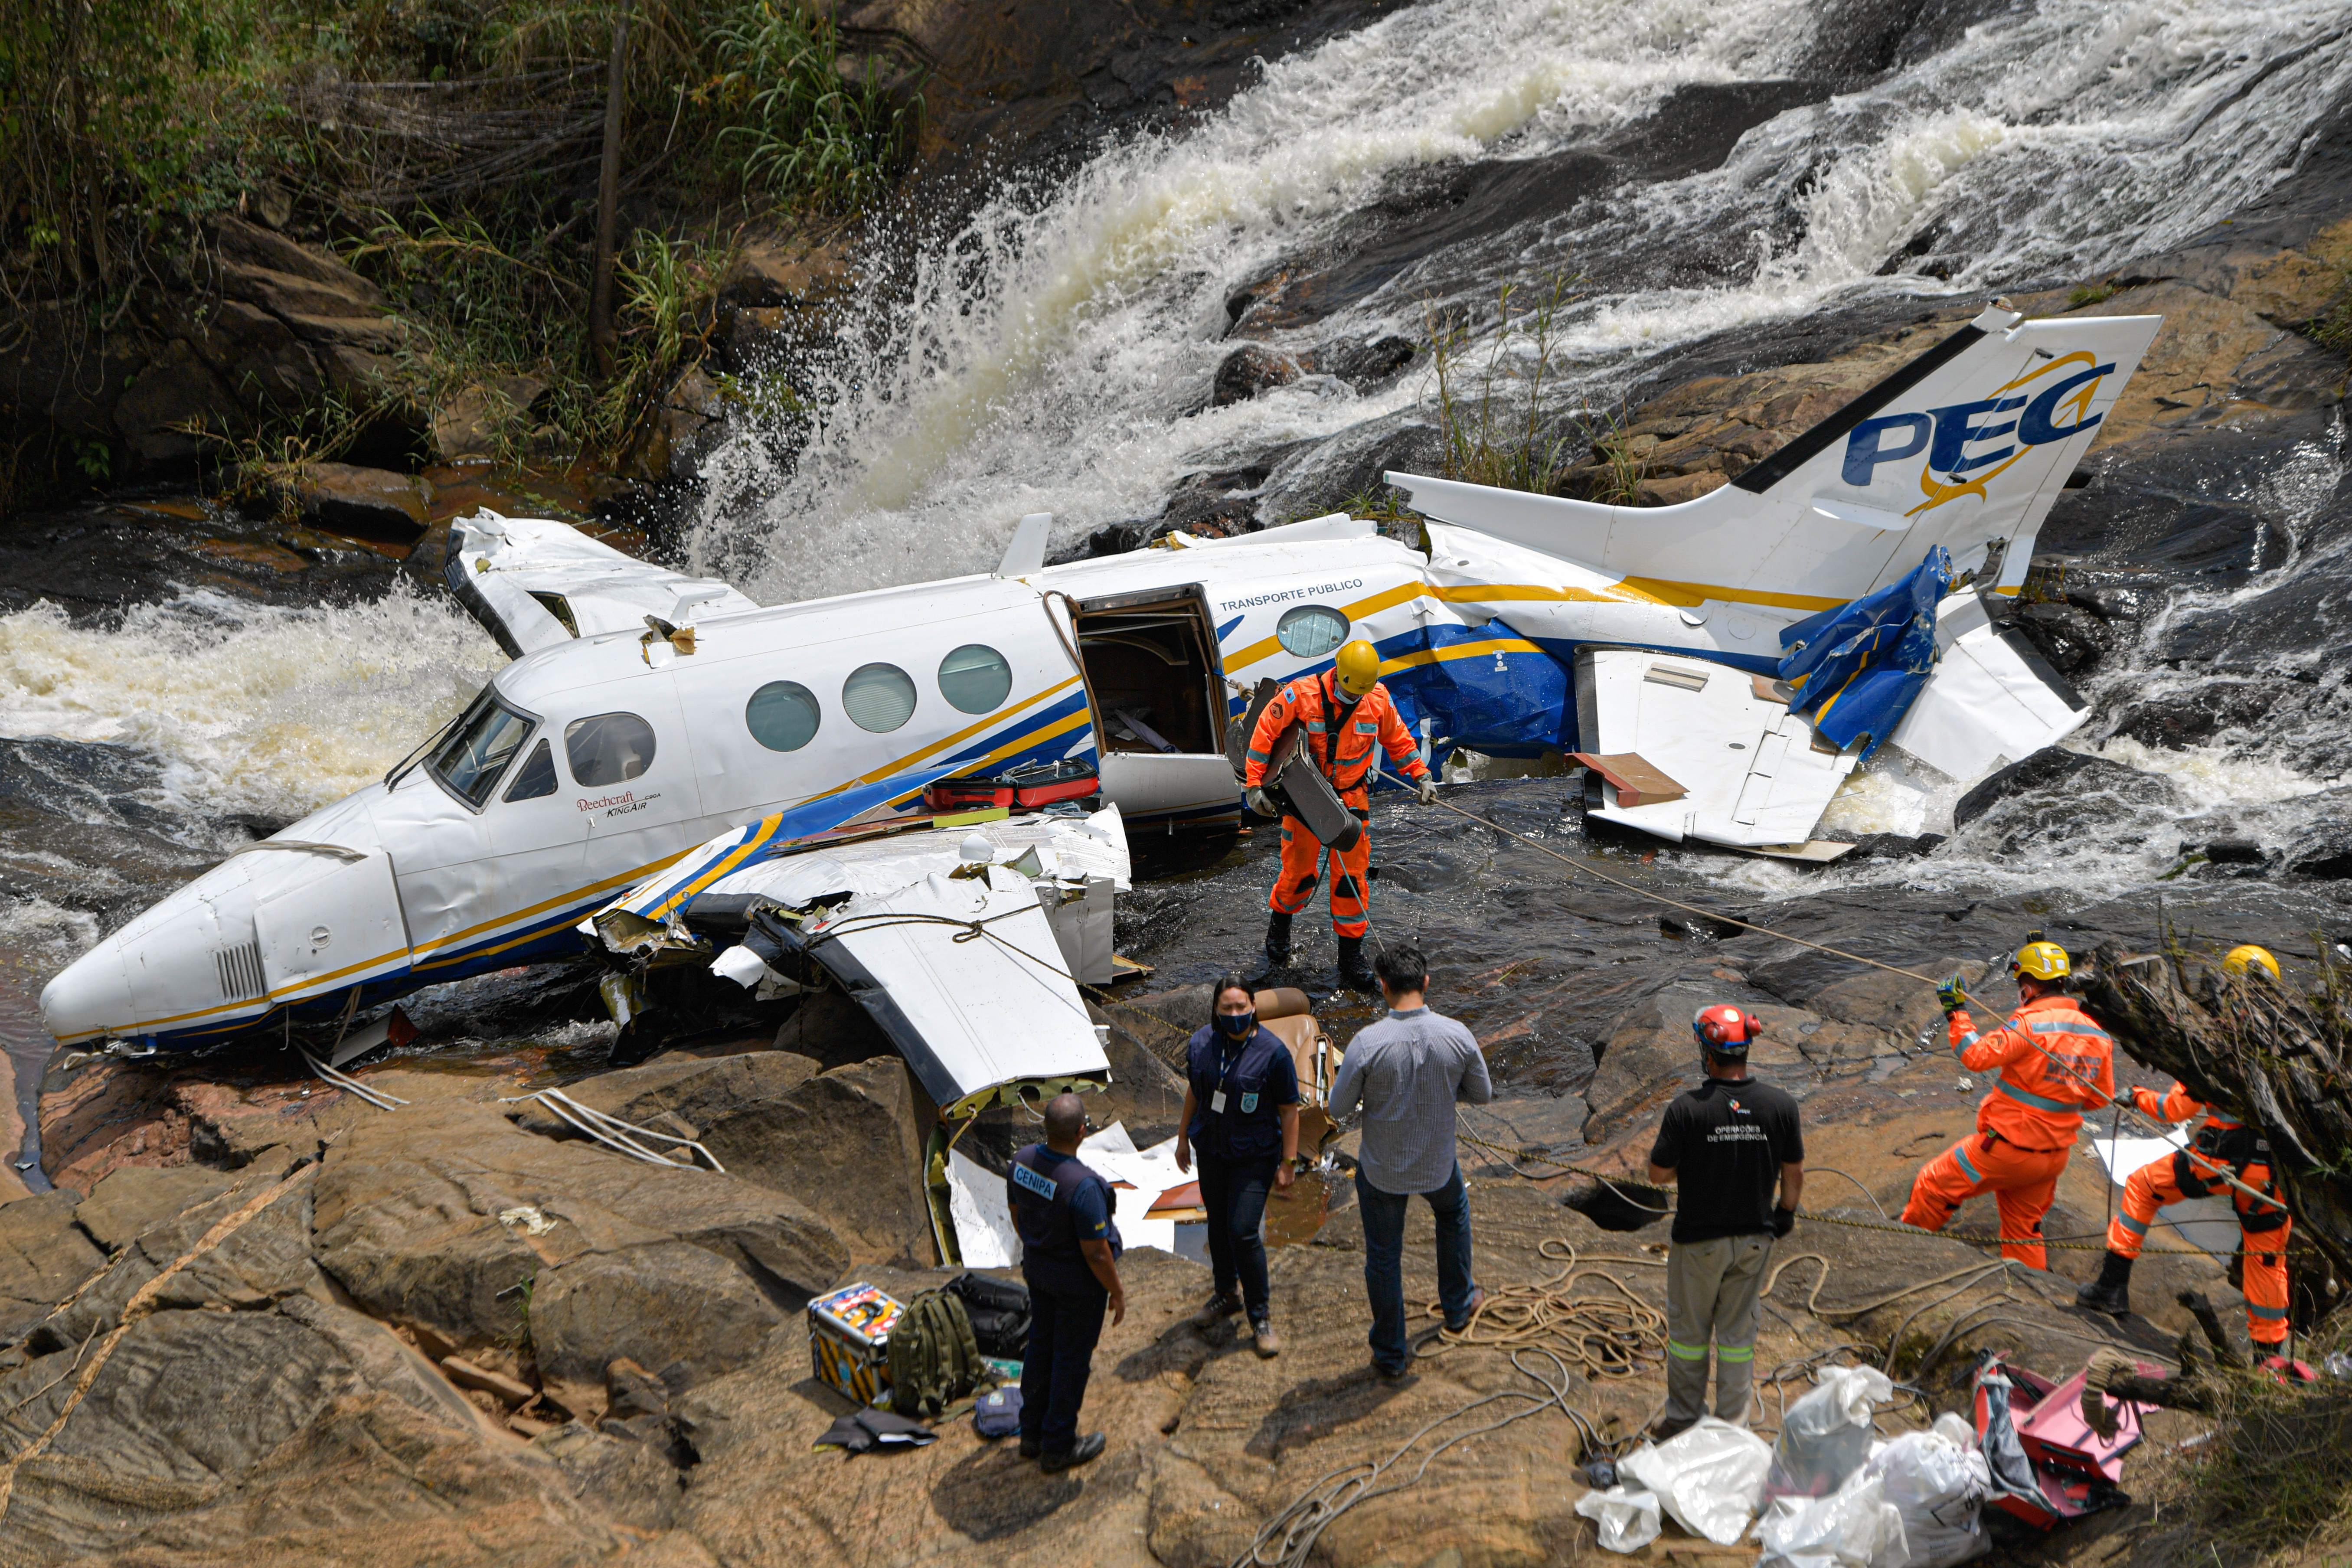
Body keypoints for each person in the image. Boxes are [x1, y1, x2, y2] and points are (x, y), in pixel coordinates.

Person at [2076, 944, 2292, 1349]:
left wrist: (2136, 1096)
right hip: (2273, 1178)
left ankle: (2112, 1286)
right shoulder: (2294, 1046)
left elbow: (2175, 1108)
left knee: (2142, 1186)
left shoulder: (2215, 1036)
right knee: (2267, 1263)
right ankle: (2271, 1359)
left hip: (2218, 1160)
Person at [1326, 941, 1490, 1378]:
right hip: (1437, 1163)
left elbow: (1338, 1108)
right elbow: (1483, 1093)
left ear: (1383, 987)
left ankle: (1391, 1353)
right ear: (1426, 983)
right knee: (1452, 1213)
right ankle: (1458, 1306)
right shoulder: (1457, 1034)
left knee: (1383, 1256)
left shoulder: (1367, 1043)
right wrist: (1443, 1090)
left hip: (1382, 1170)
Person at [1900, 937, 2114, 1270]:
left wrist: (1956, 1012)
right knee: (2023, 1230)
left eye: (2021, 983)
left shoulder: (2029, 1024)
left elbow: (1975, 1055)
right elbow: (2099, 1097)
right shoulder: (2097, 1034)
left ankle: (1897, 1252)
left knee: (1933, 1184)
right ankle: (2032, 1290)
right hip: (2052, 1158)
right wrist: (2056, 1096)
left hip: (2005, 1150)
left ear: (2029, 987)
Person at [1243, 637, 1438, 992]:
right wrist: (1254, 784)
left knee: (1351, 880)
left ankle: (1350, 958)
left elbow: (1399, 741)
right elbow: (1263, 734)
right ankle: (1279, 936)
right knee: (1297, 872)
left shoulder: (1376, 700)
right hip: (1306, 798)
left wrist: (1421, 776)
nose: (1354, 700)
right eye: (1350, 694)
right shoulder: (1301, 695)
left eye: (1359, 695)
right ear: (1338, 676)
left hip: (1351, 799)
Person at [1645, 1004, 1804, 1439]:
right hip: (1755, 1239)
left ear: (1707, 1054)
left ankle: (1683, 1418)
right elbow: (1794, 1174)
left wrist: (1694, 1163)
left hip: (1699, 1242)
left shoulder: (1687, 1110)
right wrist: (1785, 1215)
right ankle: (1733, 1426)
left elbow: (1658, 1174)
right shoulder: (1781, 1105)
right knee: (1737, 1336)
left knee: (1689, 1336)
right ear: (1745, 1050)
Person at [1176, 975, 1302, 1357]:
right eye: (1227, 1008)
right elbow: (1195, 1092)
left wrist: (1289, 1162)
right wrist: (1182, 1139)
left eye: (1242, 1007)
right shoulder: (1201, 1044)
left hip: (1255, 1155)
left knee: (1243, 1230)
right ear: (1216, 1010)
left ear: (1253, 1008)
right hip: (1213, 1149)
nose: (1235, 1014)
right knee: (1216, 1220)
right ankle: (1225, 1293)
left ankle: (1259, 1316)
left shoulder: (1273, 1053)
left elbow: (1289, 1111)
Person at [1006, 1092, 1126, 1471]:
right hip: (1078, 1288)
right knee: (1070, 1362)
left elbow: (1016, 1214)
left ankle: (1032, 1434)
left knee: (1040, 1349)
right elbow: (1096, 1252)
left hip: (1039, 1274)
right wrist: (1117, 1292)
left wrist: (1039, 1247)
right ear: (1081, 1132)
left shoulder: (1021, 1162)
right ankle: (1059, 1444)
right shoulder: (1086, 1187)